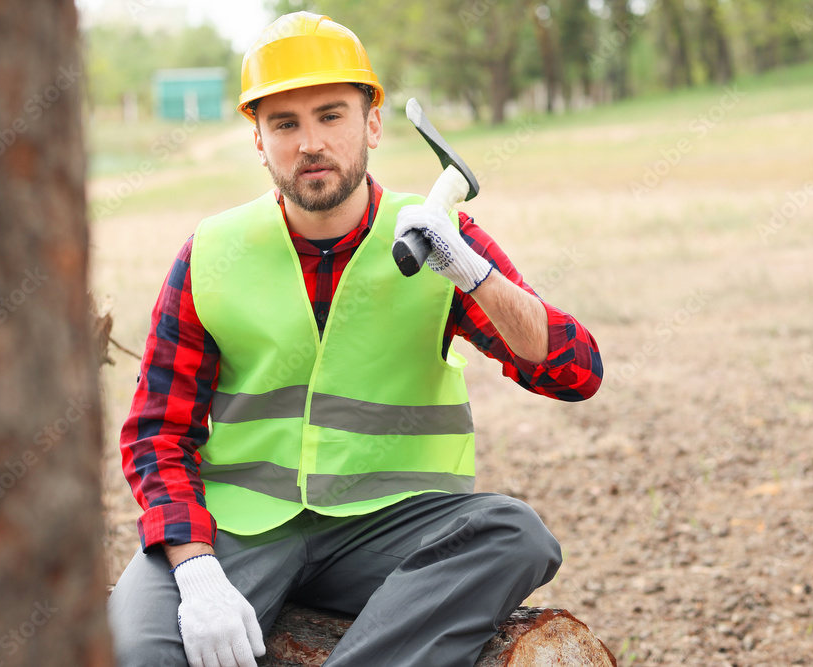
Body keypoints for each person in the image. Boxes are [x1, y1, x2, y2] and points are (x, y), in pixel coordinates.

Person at [108, 11, 602, 667]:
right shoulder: (210, 254)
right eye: (285, 122)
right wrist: (196, 570)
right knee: (133, 648)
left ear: (371, 123)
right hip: (239, 529)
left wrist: (472, 273)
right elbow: (156, 434)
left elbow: (575, 372)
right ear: (259, 139)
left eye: (330, 115)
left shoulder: (439, 237)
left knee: (515, 535)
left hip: (392, 528)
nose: (310, 141)